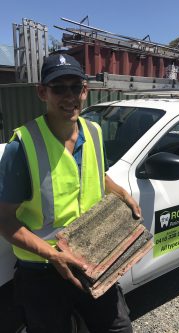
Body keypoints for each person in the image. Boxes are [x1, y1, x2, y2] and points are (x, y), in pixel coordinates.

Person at [0, 53, 141, 333]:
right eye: (58, 88)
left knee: (118, 328)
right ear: (42, 92)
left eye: (75, 87)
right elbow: (4, 219)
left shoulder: (95, 131)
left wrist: (121, 192)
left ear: (85, 91)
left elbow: (96, 175)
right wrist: (53, 255)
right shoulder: (23, 145)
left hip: (91, 261)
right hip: (43, 272)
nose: (69, 96)